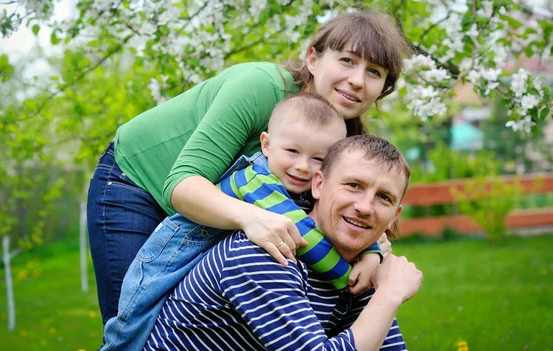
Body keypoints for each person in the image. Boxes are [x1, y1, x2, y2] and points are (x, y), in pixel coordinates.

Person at [87, 10, 411, 324]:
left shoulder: (343, 137)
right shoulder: (259, 88)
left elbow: (342, 212)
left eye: (374, 72)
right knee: (136, 324)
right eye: (347, 61)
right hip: (136, 183)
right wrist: (251, 217)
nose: (357, 80)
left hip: (209, 210)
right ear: (312, 59)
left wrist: (373, 253)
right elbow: (182, 185)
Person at [101, 93, 388, 351]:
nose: (302, 166)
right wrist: (346, 274)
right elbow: (303, 236)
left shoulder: (296, 186)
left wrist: (371, 253)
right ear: (266, 144)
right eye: (292, 152)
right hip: (176, 252)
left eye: (318, 158)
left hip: (213, 253)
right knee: (134, 323)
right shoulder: (258, 180)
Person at [144, 135, 422, 351]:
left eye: (383, 197)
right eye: (353, 186)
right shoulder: (267, 252)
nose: (364, 207)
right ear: (318, 186)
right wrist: (389, 295)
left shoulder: (357, 268)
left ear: (393, 217)